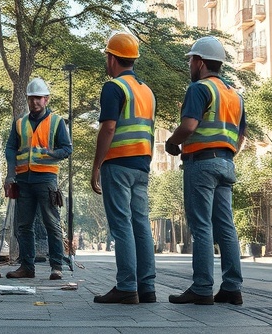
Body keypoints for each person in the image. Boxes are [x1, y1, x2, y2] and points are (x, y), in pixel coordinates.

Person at [164, 36, 246, 306]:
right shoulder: (235, 95)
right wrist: (228, 152)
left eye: (191, 60)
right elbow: (241, 133)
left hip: (201, 164)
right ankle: (232, 288)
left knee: (201, 226)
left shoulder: (199, 89)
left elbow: (188, 126)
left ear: (199, 62)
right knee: (226, 227)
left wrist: (172, 142)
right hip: (226, 162)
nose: (189, 64)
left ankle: (202, 288)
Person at [91, 33, 157, 305]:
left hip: (118, 163)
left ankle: (127, 286)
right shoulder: (147, 91)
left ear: (112, 58)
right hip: (142, 165)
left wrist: (96, 166)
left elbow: (108, 127)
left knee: (122, 226)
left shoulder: (114, 87)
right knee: (141, 224)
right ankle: (147, 288)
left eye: (107, 56)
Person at [2, 78, 73, 280]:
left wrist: (51, 153)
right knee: (23, 226)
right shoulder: (19, 123)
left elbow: (67, 149)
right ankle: (27, 267)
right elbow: (10, 148)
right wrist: (10, 174)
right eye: (31, 98)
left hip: (46, 180)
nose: (34, 102)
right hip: (23, 180)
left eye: (38, 98)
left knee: (52, 224)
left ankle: (56, 267)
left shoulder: (57, 122)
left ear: (46, 99)